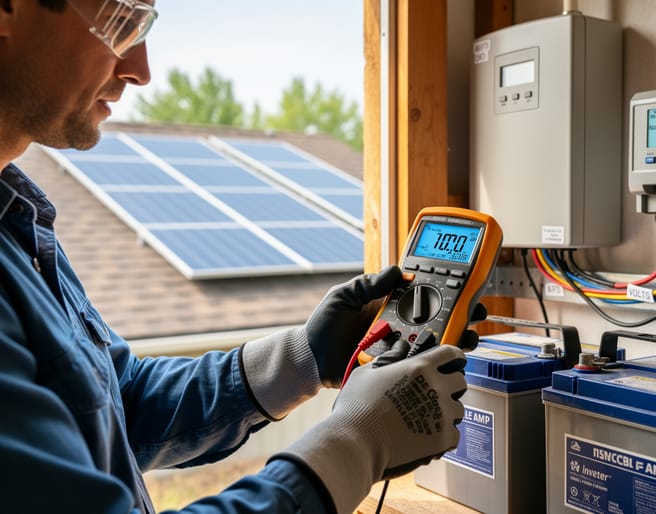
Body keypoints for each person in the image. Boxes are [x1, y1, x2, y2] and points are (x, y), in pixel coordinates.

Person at [0, 1, 480, 512]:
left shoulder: (18, 219)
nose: (140, 69)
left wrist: (303, 356)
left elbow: (120, 404)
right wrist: (358, 442)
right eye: (121, 19)